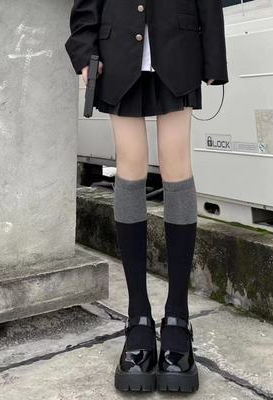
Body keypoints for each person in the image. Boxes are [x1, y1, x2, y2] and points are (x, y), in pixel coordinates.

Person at [65, 0, 229, 393]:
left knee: (177, 168)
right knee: (129, 168)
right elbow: (85, 4)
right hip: (117, 54)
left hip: (180, 48)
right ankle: (138, 317)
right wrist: (84, 51)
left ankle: (177, 318)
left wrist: (215, 58)